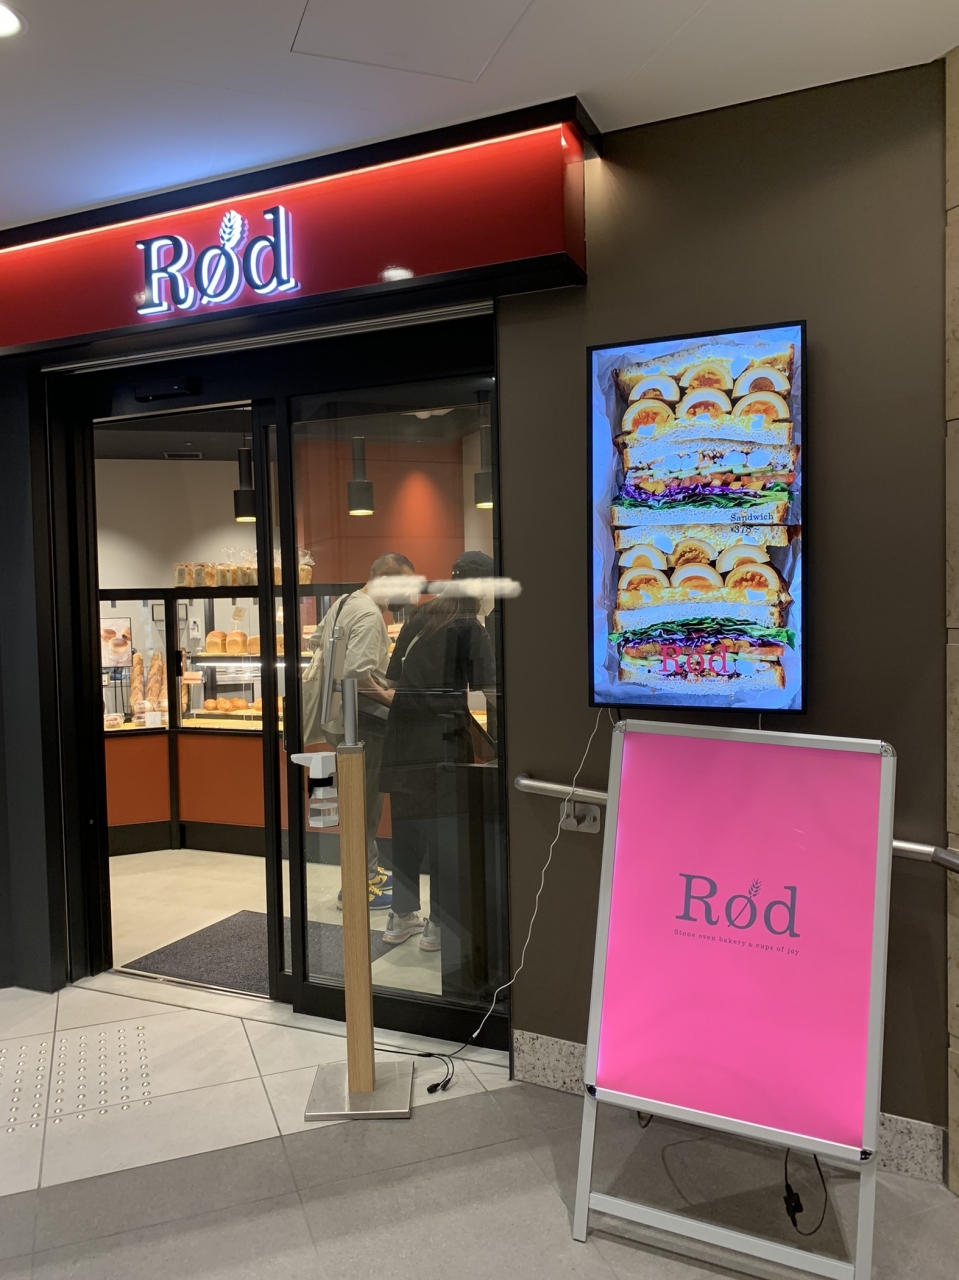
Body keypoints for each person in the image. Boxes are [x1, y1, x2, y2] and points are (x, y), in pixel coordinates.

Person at [380, 551, 496, 953]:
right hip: (443, 741)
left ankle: (400, 916)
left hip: (403, 739)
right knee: (446, 834)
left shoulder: (421, 617)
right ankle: (438, 924)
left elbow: (392, 681)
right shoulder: (471, 627)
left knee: (407, 830)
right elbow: (492, 690)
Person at [305, 551, 418, 910]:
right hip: (361, 723)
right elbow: (356, 674)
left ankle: (367, 870)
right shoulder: (370, 616)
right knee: (364, 806)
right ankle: (359, 885)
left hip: (338, 718)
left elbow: (316, 642)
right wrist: (390, 697)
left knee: (358, 802)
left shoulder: (344, 602)